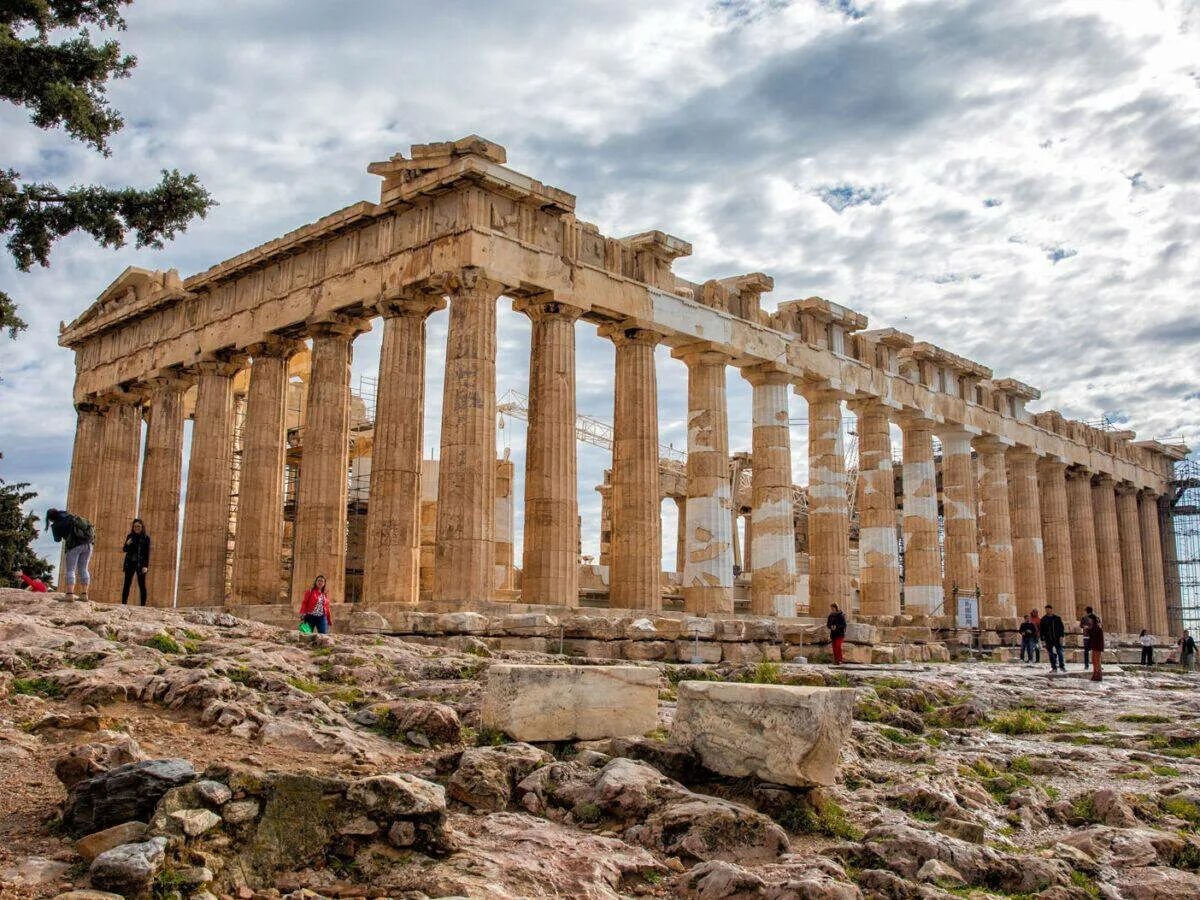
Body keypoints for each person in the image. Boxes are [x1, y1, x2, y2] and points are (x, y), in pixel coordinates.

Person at [46, 508, 94, 601]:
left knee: (70, 570)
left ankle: (69, 594)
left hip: (73, 546)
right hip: (88, 544)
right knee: (84, 569)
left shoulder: (56, 525)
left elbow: (57, 539)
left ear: (50, 518)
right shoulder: (70, 516)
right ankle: (84, 594)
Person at [120, 518, 151, 606]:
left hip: (140, 564)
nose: (136, 528)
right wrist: (127, 543)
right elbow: (124, 549)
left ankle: (142, 606)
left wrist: (145, 566)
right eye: (135, 526)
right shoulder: (130, 536)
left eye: (138, 526)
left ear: (142, 527)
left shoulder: (146, 538)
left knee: (142, 585)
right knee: (127, 584)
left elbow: (147, 553)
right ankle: (123, 604)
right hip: (129, 563)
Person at [1040, 604, 1066, 673]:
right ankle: (1054, 667)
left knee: (1060, 653)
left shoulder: (1057, 618)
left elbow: (1061, 628)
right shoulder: (1043, 619)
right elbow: (1041, 630)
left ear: (1051, 609)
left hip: (1057, 638)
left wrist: (1061, 637)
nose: (1047, 611)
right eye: (1046, 609)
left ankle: (1062, 666)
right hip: (1048, 639)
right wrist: (1042, 640)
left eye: (1048, 609)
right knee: (1051, 654)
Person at [1086, 614, 1105, 681]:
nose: (1088, 621)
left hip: (1097, 646)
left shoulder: (1097, 627)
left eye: (1089, 619)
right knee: (1095, 661)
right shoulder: (1095, 627)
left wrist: (1088, 630)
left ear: (1092, 619)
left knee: (1096, 661)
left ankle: (1098, 675)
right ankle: (1096, 674)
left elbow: (1095, 637)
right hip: (1095, 646)